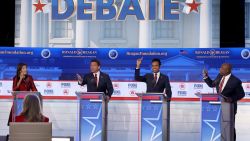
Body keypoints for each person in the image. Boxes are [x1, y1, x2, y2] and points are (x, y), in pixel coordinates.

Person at [203, 63, 245, 141]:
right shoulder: (220, 75)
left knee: (229, 126)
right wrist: (206, 77)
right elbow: (212, 84)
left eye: (222, 68)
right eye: (220, 68)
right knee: (220, 125)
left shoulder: (236, 81)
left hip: (229, 107)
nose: (220, 69)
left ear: (228, 70)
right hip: (218, 106)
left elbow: (241, 94)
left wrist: (231, 99)